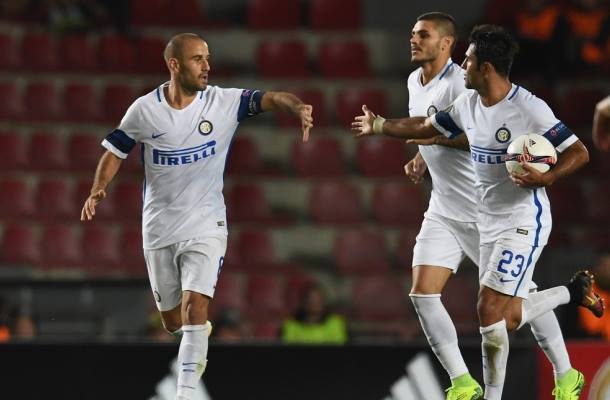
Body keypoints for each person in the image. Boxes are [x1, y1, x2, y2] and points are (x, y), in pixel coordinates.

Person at [352, 24, 605, 400]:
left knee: (489, 309)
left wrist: (548, 177)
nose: (462, 66)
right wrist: (380, 125)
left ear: (486, 68)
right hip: (487, 219)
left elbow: (578, 151)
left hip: (524, 220)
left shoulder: (528, 108)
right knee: (510, 316)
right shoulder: (468, 104)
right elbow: (426, 125)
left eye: (468, 60)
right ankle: (573, 291)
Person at [80, 32, 313, 400]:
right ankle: (196, 334)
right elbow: (115, 151)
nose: (207, 66)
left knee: (194, 307)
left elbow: (270, 98)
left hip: (207, 223)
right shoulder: (145, 110)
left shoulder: (223, 102)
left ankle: (185, 393)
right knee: (173, 321)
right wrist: (98, 188)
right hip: (159, 227)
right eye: (197, 59)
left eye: (208, 58)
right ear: (174, 65)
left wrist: (296, 107)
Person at [281, 285, 347, 344]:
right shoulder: (291, 325)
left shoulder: (335, 323)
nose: (314, 303)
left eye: (318, 300)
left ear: (324, 302)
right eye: (311, 299)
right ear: (303, 302)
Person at [578, 251, 610, 339]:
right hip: (590, 344)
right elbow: (592, 328)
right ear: (596, 268)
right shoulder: (584, 290)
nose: (607, 271)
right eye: (604, 266)